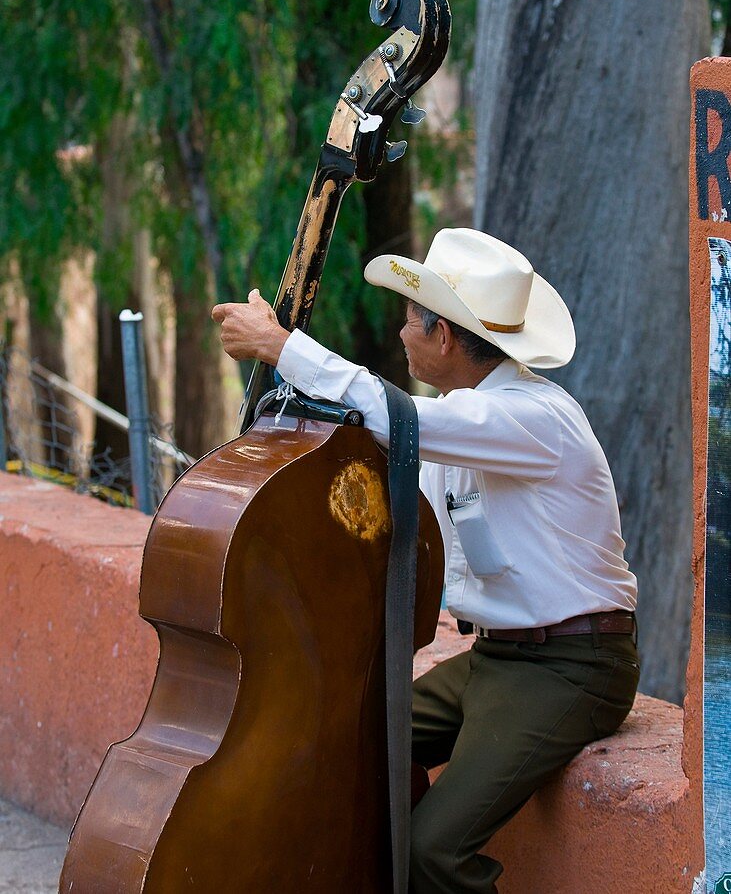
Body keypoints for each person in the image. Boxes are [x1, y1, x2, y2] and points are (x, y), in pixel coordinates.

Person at [212, 227, 639, 894]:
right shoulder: (460, 416)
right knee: (346, 745)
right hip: (497, 659)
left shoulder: (529, 418)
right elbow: (379, 455)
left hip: (571, 669)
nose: (402, 335)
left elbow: (393, 414)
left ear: (441, 339)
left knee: (435, 852)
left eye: (410, 321)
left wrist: (280, 347)